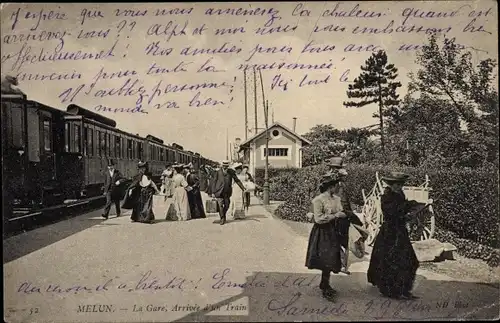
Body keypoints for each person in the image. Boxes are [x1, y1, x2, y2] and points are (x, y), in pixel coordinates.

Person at [367, 172, 428, 300]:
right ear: (391, 184)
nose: (399, 187)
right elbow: (392, 213)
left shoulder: (399, 194)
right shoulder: (386, 197)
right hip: (390, 232)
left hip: (400, 231)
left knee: (410, 261)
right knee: (392, 261)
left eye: (401, 184)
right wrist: (406, 212)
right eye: (397, 184)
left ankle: (404, 290)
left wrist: (413, 206)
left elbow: (403, 207)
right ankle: (391, 291)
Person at [305, 171, 348, 302]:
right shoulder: (318, 200)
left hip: (333, 231)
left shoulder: (336, 199)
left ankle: (325, 283)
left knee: (332, 257)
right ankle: (325, 286)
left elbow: (341, 210)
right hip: (322, 232)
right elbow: (318, 219)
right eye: (336, 186)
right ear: (330, 187)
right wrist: (335, 216)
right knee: (325, 258)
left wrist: (342, 215)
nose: (337, 188)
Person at [325, 156, 363, 275]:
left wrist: (349, 213)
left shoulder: (342, 185)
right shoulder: (328, 183)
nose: (336, 171)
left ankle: (342, 265)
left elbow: (345, 201)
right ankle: (334, 263)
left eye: (338, 169)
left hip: (343, 216)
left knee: (343, 240)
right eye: (334, 168)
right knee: (333, 239)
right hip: (333, 215)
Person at [210, 160, 246, 225]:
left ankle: (223, 214)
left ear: (228, 166)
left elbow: (237, 180)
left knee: (227, 205)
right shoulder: (218, 172)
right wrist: (213, 192)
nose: (225, 167)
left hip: (227, 192)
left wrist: (243, 188)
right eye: (224, 166)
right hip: (219, 192)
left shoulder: (231, 172)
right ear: (222, 165)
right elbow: (214, 182)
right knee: (220, 205)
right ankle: (222, 218)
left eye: (226, 166)